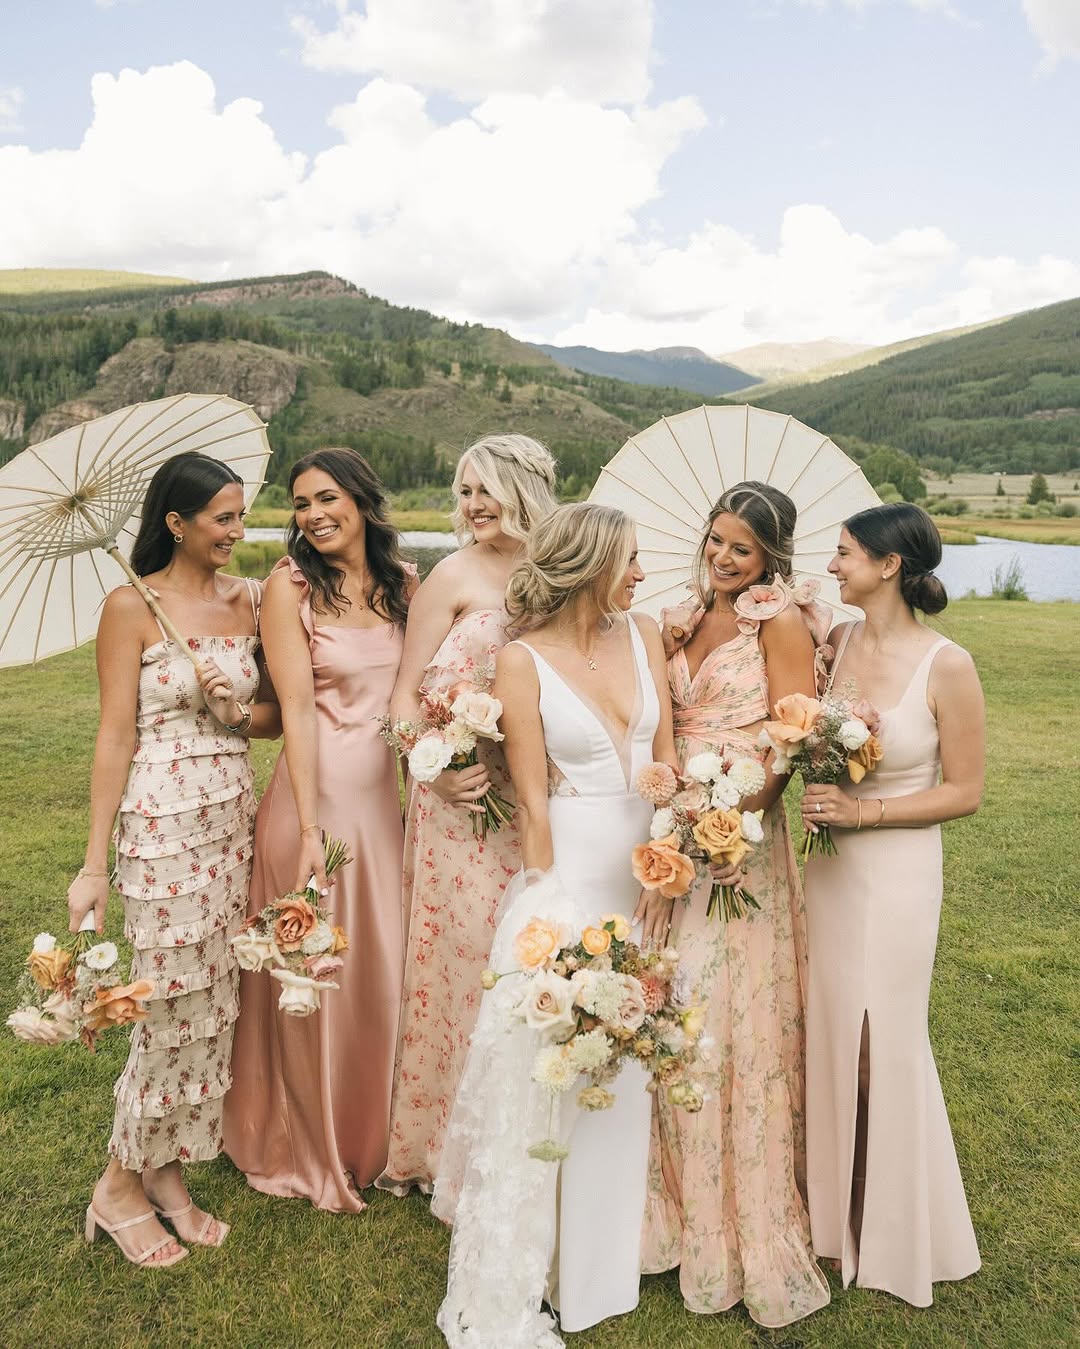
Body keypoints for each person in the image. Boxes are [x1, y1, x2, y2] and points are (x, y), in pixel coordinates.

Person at [432, 502, 689, 1345]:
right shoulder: (521, 660)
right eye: (633, 559)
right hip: (574, 874)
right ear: (589, 563)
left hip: (649, 872)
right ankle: (545, 1263)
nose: (644, 575)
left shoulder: (646, 633)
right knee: (565, 1058)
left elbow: (672, 762)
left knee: (636, 1051)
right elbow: (533, 802)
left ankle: (612, 1252)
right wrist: (552, 916)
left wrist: (670, 858)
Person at [68, 451, 280, 1267]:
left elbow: (272, 718)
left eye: (241, 515)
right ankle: (119, 1181)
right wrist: (93, 863)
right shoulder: (131, 606)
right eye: (223, 517)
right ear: (177, 522)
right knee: (167, 1001)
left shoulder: (250, 599)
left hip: (230, 817)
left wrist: (239, 710)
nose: (237, 531)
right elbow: (115, 733)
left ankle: (165, 1168)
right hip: (160, 824)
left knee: (213, 998)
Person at [643, 481, 832, 1327]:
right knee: (667, 1000)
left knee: (727, 1013)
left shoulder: (778, 622)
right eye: (716, 540)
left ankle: (742, 1214)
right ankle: (671, 1206)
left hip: (739, 844)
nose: (723, 557)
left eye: (741, 549)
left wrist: (736, 817)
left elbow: (790, 739)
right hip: (668, 827)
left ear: (771, 558)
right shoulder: (680, 613)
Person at [800, 502, 984, 1306]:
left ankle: (903, 1227)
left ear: (889, 565)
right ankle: (836, 1215)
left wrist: (864, 810)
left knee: (886, 1041)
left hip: (899, 869)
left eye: (844, 554)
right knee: (835, 1028)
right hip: (831, 871)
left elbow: (966, 791)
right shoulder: (834, 645)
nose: (833, 566)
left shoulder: (948, 664)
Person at [223, 447, 415, 1212]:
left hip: (383, 806)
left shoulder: (406, 586)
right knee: (314, 973)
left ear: (363, 500)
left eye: (327, 497)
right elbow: (294, 711)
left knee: (379, 966)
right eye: (301, 503)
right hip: (316, 800)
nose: (313, 515)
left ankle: (383, 1134)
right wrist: (306, 824)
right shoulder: (288, 587)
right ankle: (311, 1142)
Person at [376, 434, 558, 1196]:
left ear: (524, 489)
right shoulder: (451, 574)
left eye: (486, 490)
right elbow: (402, 701)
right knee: (462, 966)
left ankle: (527, 1131)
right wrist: (435, 771)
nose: (473, 506)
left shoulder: (558, 576)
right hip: (458, 810)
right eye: (463, 492)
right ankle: (441, 1145)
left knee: (528, 958)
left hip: (534, 799)